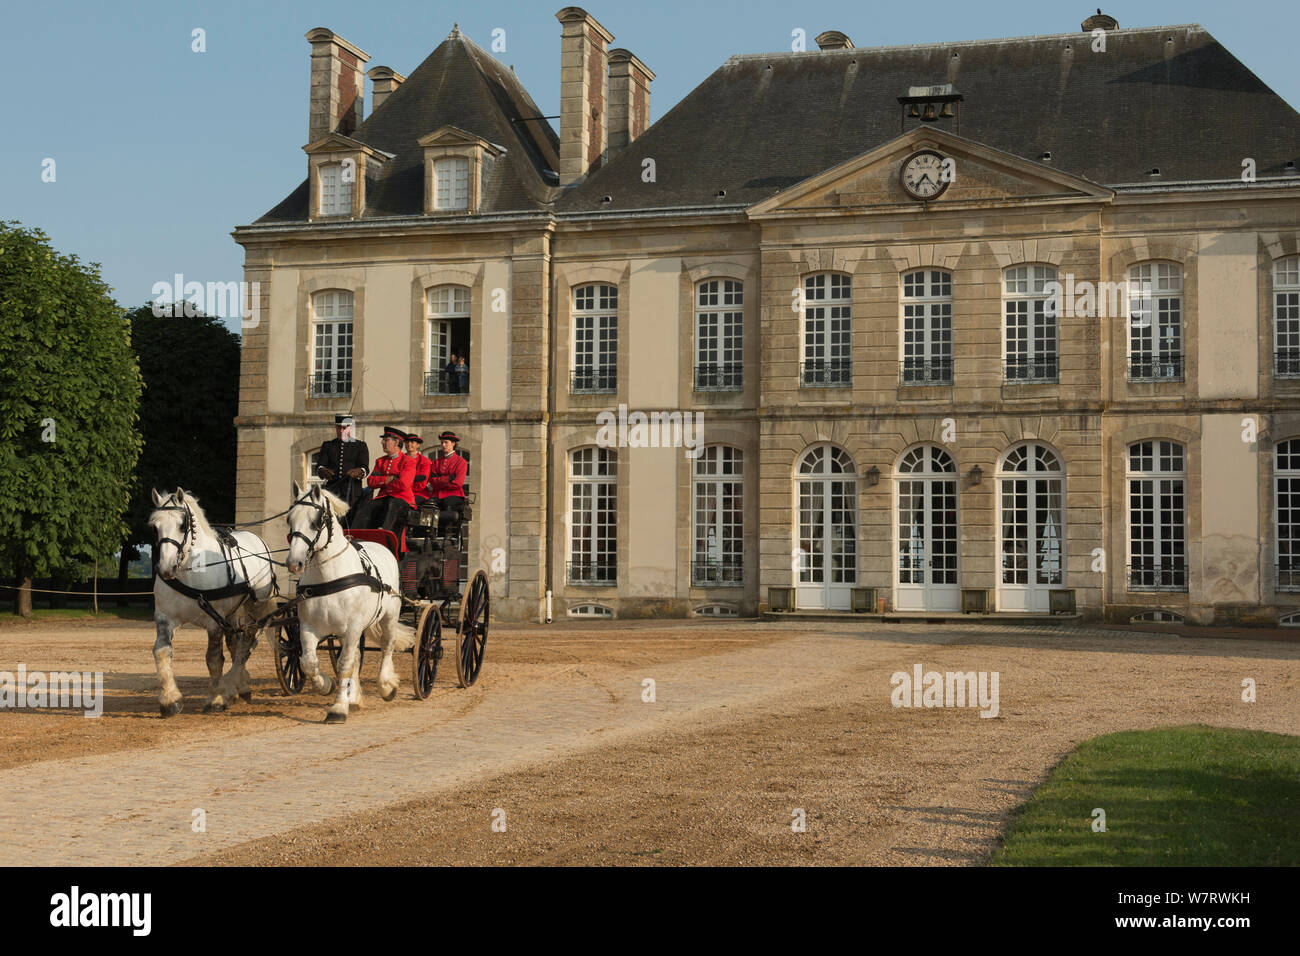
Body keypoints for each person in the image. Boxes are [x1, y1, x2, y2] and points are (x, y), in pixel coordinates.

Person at [347, 425, 416, 534]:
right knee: (366, 506)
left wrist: (381, 482)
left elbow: (403, 484)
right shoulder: (380, 461)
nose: (382, 442)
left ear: (396, 442)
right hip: (383, 498)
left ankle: (384, 534)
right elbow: (370, 481)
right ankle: (354, 534)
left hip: (403, 499)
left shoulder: (408, 461)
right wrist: (388, 479)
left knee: (392, 503)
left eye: (386, 440)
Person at [315, 414, 369, 508]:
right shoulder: (328, 445)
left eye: (344, 428)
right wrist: (322, 470)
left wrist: (359, 471)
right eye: (338, 427)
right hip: (331, 491)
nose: (341, 431)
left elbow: (365, 467)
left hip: (352, 492)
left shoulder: (360, 446)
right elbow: (319, 465)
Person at [426, 430, 468, 541]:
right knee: (426, 506)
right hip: (437, 495)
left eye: (446, 442)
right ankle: (428, 533)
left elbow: (458, 483)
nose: (443, 445)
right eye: (442, 443)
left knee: (448, 504)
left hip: (454, 495)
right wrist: (449, 478)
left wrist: (439, 481)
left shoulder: (461, 462)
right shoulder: (435, 462)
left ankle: (448, 534)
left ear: (453, 443)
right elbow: (432, 480)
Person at [405, 433, 433, 507]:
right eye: (407, 442)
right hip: (400, 492)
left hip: (418, 493)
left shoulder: (424, 461)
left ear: (418, 445)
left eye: (412, 442)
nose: (409, 444)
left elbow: (421, 484)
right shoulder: (400, 460)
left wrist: (404, 486)